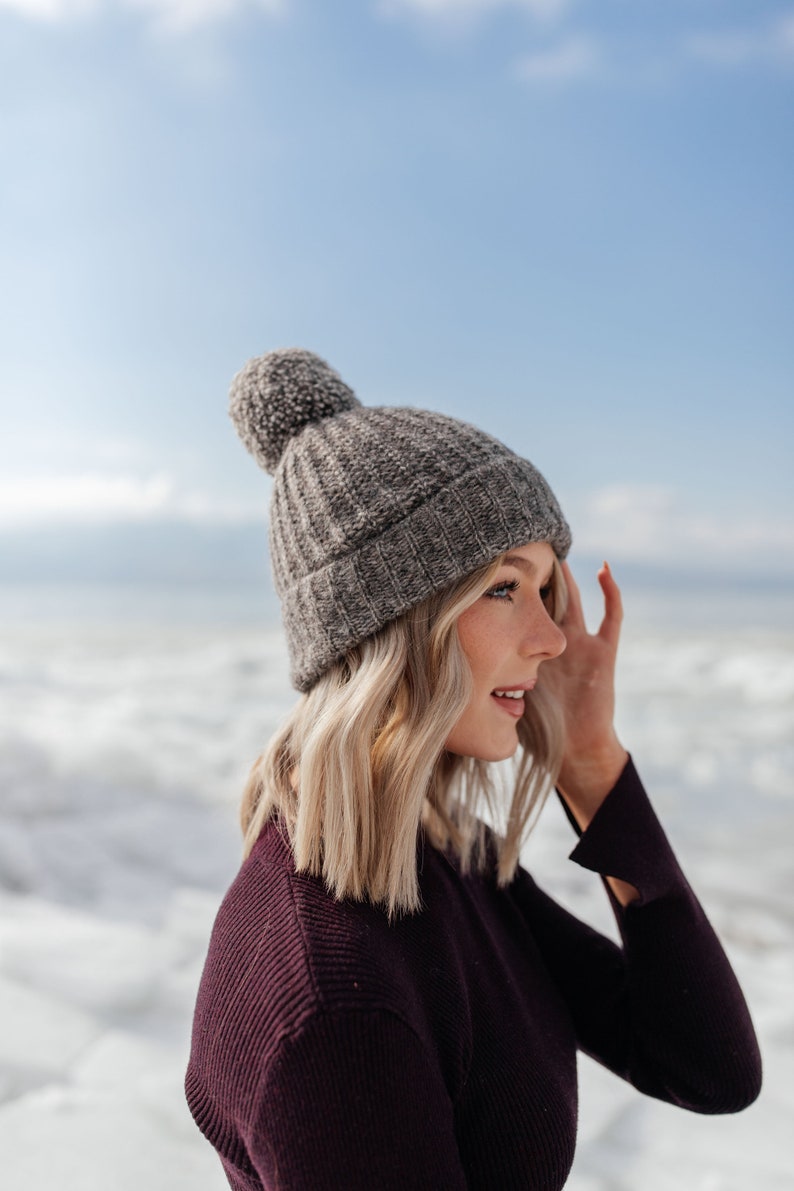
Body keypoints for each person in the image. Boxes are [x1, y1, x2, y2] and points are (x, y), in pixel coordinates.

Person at [185, 348, 762, 1191]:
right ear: (390, 623)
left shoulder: (444, 858)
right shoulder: (335, 1008)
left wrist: (593, 763)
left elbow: (707, 1067)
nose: (554, 636)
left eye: (544, 588)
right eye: (503, 587)